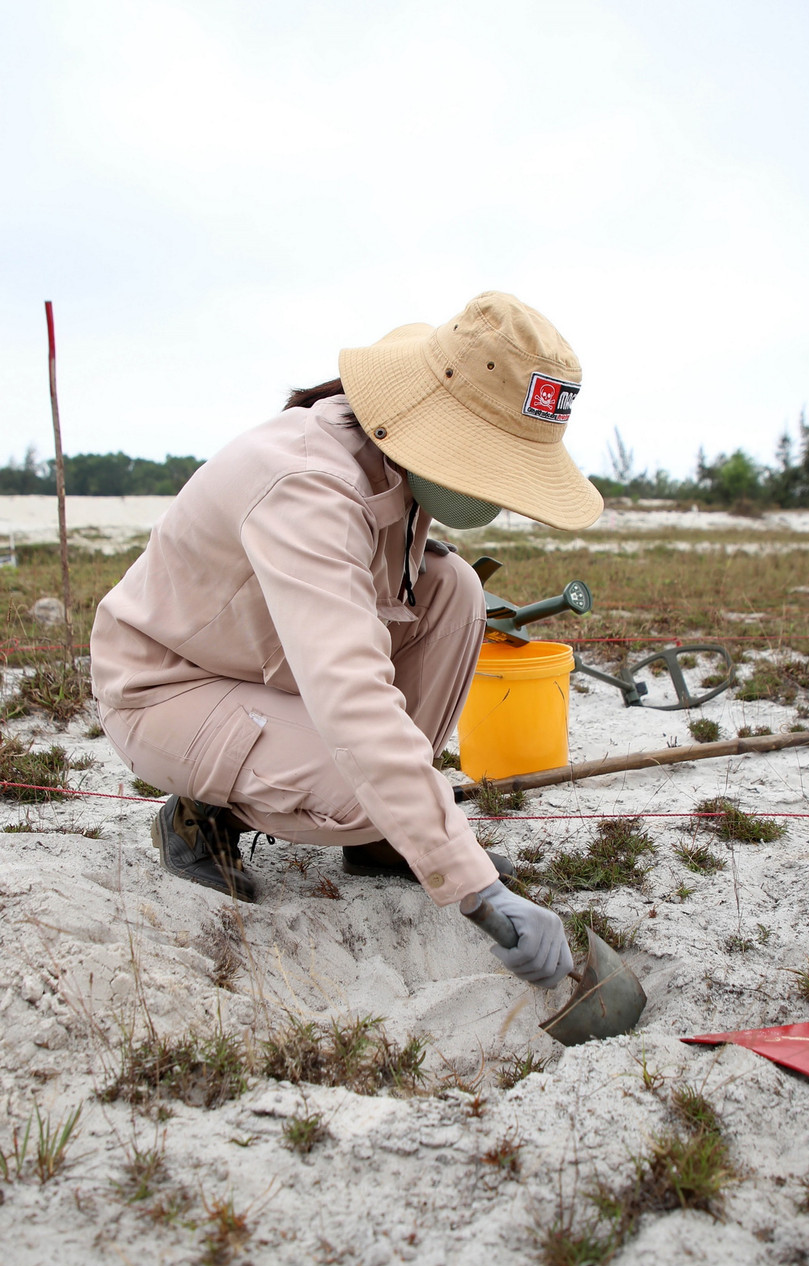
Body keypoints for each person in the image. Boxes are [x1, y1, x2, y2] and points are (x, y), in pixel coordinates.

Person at [90, 291, 603, 991]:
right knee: (364, 783)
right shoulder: (309, 484)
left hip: (260, 669)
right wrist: (479, 892)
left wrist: (426, 834)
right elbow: (355, 700)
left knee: (456, 590)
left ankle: (384, 834)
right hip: (166, 688)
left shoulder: (390, 464)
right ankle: (199, 813)